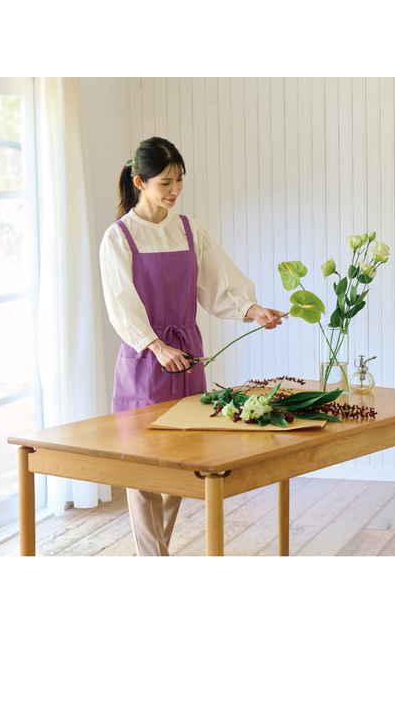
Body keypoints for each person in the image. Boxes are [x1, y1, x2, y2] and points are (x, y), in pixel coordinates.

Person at [99, 136, 286, 555]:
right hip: (146, 360)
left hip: (188, 356)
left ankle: (155, 556)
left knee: (183, 463)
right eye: (165, 182)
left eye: (179, 180)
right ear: (139, 182)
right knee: (143, 465)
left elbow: (219, 283)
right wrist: (155, 345)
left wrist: (253, 309)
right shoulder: (119, 237)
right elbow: (121, 305)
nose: (175, 191)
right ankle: (154, 558)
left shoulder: (188, 229)